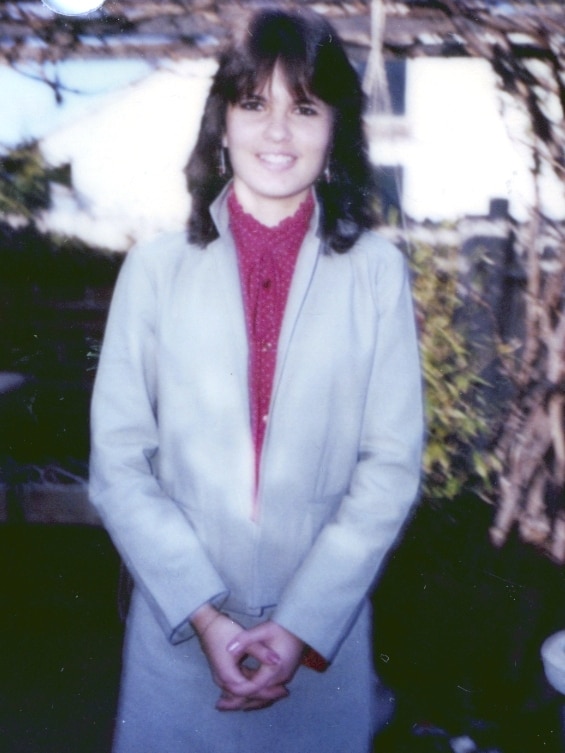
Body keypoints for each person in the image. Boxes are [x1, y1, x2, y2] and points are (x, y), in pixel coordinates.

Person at [89, 7, 423, 753]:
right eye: (254, 104)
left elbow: (391, 465)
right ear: (222, 122)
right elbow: (117, 462)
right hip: (178, 635)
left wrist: (301, 622)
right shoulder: (154, 271)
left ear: (334, 127)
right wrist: (206, 616)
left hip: (316, 649)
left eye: (303, 107)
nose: (277, 132)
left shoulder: (376, 275)